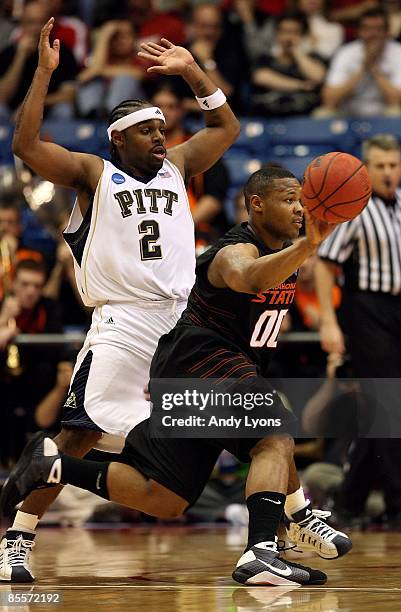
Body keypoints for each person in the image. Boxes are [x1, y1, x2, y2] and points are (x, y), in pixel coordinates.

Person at [2, 167, 352, 586]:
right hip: (202, 359)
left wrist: (304, 247)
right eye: (288, 200)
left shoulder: (285, 250)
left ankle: (54, 465)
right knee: (273, 431)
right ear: (257, 204)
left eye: (300, 201)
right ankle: (271, 543)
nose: (299, 208)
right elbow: (248, 277)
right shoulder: (235, 250)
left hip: (203, 368)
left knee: (164, 498)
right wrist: (310, 245)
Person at [0, 17, 240, 583]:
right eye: (148, 131)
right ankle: (16, 538)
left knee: (220, 424)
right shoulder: (94, 174)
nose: (162, 136)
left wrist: (191, 71)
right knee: (78, 431)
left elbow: (226, 127)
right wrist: (43, 72)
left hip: (182, 326)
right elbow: (25, 145)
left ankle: (278, 524)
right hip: (124, 325)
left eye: (163, 128)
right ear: (119, 139)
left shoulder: (178, 167)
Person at [315, 133, 401, 527]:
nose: (388, 173)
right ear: (368, 169)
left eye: (394, 165)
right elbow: (324, 264)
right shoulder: (355, 208)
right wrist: (329, 322)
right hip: (366, 310)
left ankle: (349, 504)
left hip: (397, 309)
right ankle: (398, 506)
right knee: (388, 405)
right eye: (381, 166)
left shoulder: (400, 205)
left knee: (382, 412)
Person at [151, 83, 230, 252]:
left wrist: (180, 226)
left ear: (181, 110)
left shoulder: (198, 146)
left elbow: (214, 197)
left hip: (197, 230)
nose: (164, 113)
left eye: (171, 107)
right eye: (158, 107)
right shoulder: (140, 151)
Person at [0, 1, 78, 120]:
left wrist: (30, 106)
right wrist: (20, 57)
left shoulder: (62, 52)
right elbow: (2, 96)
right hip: (13, 113)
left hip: (47, 110)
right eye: (31, 22)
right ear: (22, 24)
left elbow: (69, 96)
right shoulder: (9, 53)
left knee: (64, 110)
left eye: (41, 22)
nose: (37, 29)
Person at [320, 8, 401, 117]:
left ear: (387, 32)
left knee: (395, 112)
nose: (373, 34)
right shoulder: (346, 52)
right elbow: (329, 99)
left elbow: (397, 99)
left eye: (378, 29)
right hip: (349, 113)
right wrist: (363, 67)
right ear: (359, 31)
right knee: (323, 114)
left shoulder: (398, 52)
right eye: (367, 28)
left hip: (384, 114)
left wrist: (374, 68)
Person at [251, 11, 326, 116]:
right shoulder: (265, 59)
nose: (288, 37)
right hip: (267, 117)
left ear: (304, 35)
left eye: (295, 32)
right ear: (276, 34)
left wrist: (296, 51)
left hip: (304, 119)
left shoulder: (313, 58)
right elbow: (261, 77)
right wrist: (301, 85)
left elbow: (318, 77)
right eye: (284, 31)